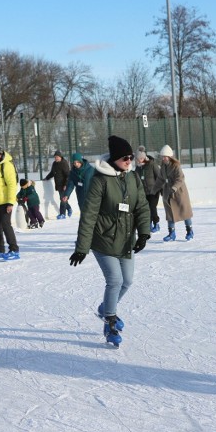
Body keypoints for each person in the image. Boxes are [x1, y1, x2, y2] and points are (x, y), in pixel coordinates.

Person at [69, 136, 150, 348]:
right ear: (115, 158)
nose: (129, 160)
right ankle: (110, 323)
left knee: (127, 281)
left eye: (131, 157)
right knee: (114, 280)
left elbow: (141, 206)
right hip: (103, 239)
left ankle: (105, 308)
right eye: (125, 157)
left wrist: (143, 233)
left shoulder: (132, 178)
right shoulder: (99, 180)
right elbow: (89, 215)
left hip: (125, 240)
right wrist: (81, 248)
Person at [151, 146, 194, 242]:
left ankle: (189, 231)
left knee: (184, 212)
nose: (163, 158)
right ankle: (171, 234)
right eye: (162, 156)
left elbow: (180, 178)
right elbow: (160, 179)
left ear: (170, 156)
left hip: (179, 192)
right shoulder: (163, 166)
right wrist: (154, 190)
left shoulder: (176, 166)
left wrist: (174, 187)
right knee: (169, 214)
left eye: (165, 156)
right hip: (167, 191)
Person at [134, 146, 161, 233]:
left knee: (152, 207)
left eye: (139, 159)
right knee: (146, 209)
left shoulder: (152, 164)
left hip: (154, 191)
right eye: (137, 159)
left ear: (143, 158)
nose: (138, 161)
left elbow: (159, 177)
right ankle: (148, 225)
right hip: (144, 192)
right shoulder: (138, 167)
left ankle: (156, 223)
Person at [45, 150, 72, 219]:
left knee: (63, 199)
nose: (56, 158)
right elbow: (52, 173)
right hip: (58, 184)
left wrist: (66, 184)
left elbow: (68, 175)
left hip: (64, 184)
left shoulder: (64, 163)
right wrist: (46, 178)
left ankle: (62, 214)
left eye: (57, 157)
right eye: (55, 157)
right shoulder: (54, 164)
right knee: (62, 198)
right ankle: (69, 208)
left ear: (60, 157)